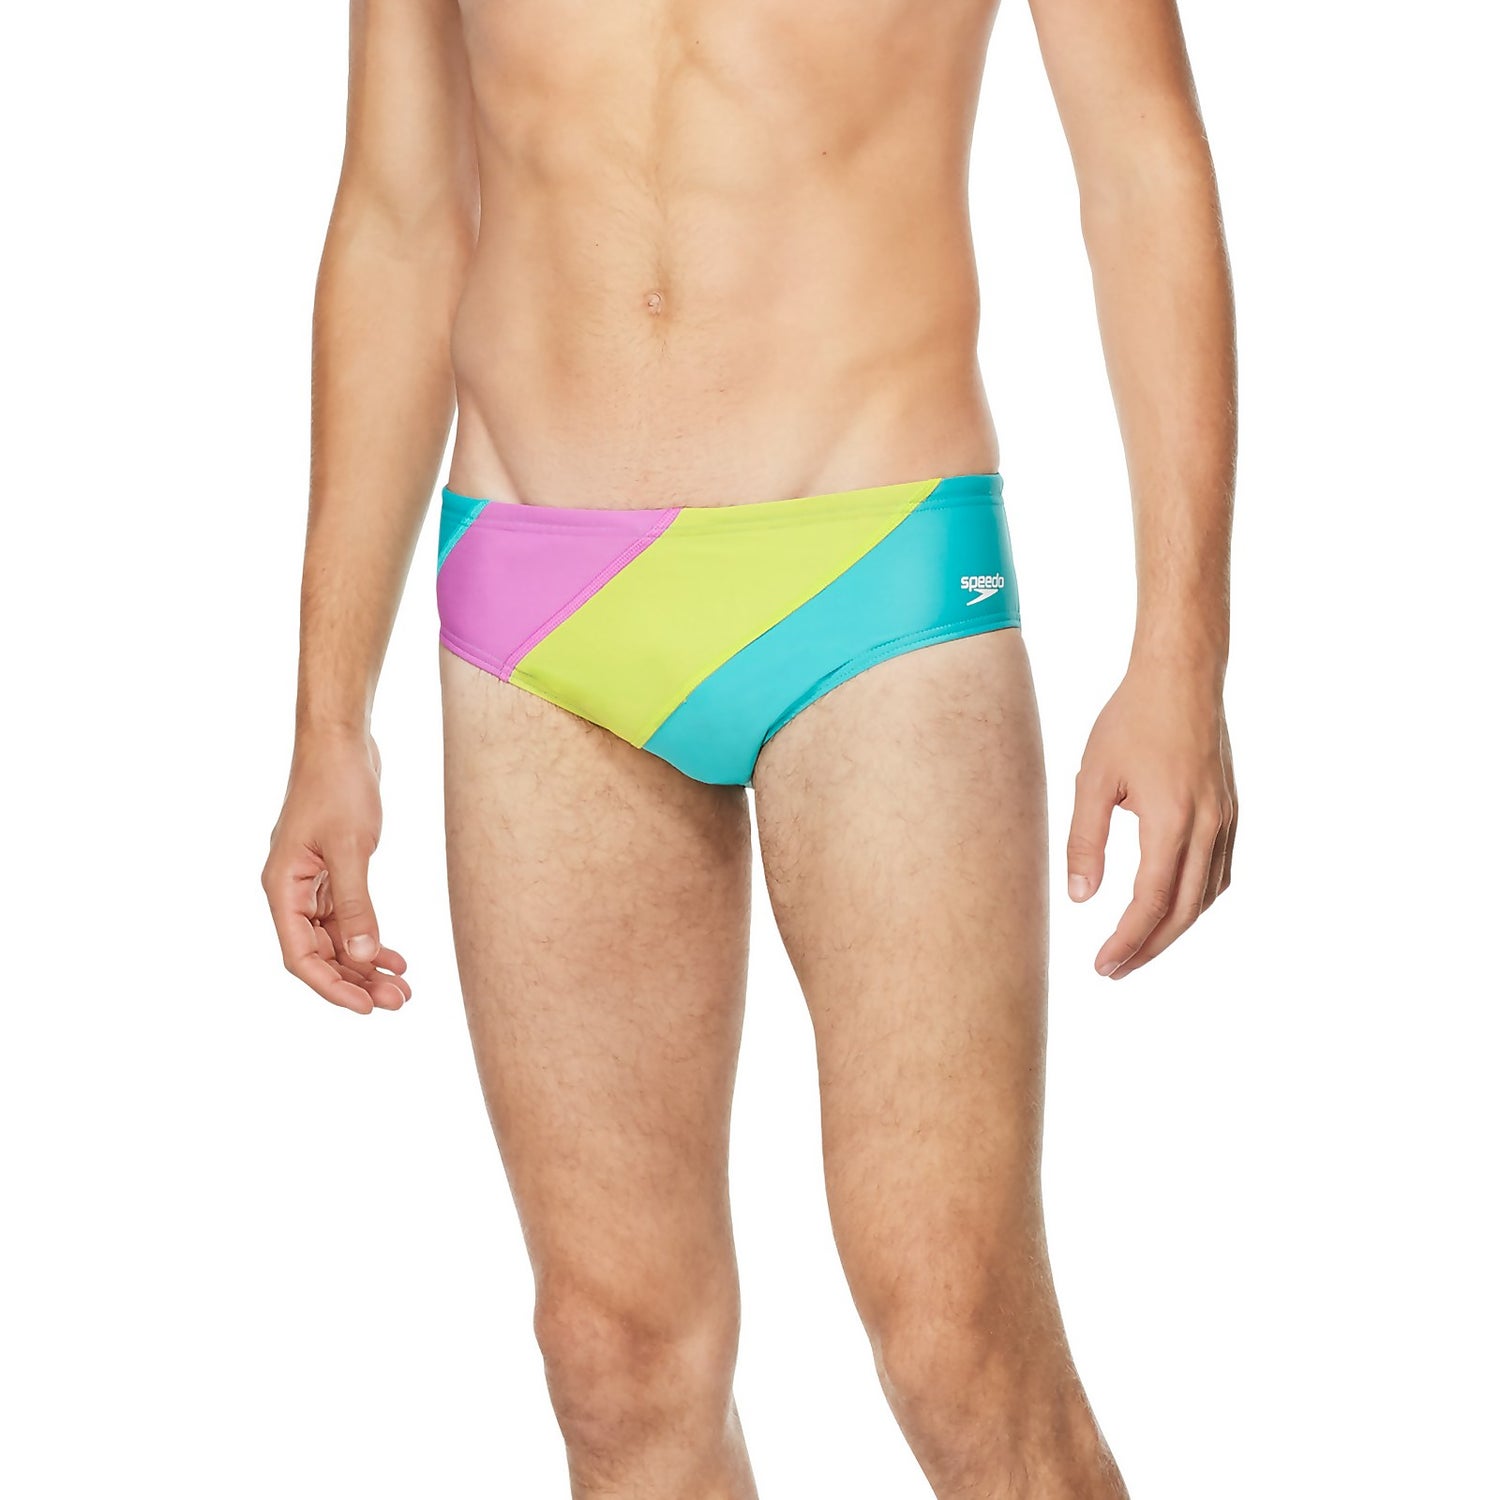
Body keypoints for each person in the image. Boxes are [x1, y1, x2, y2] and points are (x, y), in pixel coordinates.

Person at [262, 0, 1238, 1494]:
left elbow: (1140, 161)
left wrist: (1180, 651)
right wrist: (329, 719)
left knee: (953, 1334)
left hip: (874, 560)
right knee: (615, 1359)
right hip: (534, 585)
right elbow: (397, 212)